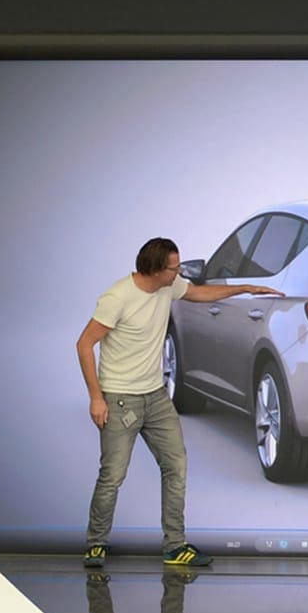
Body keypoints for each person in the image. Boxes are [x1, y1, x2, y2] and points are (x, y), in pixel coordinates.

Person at [78, 238, 279, 569]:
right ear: (157, 269)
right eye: (174, 267)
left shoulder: (167, 288)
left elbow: (201, 294)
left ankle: (174, 546)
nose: (180, 272)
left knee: (176, 467)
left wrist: (244, 288)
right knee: (112, 475)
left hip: (156, 397)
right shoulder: (117, 298)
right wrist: (96, 398)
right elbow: (85, 345)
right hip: (120, 400)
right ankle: (95, 543)